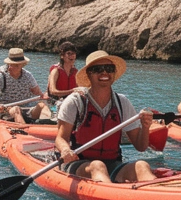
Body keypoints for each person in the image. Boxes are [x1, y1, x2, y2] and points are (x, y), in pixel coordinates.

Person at [54, 51, 156, 183]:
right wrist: (65, 150)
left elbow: (141, 147)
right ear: (89, 74)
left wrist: (145, 127)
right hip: (80, 164)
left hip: (113, 164)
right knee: (97, 166)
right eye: (98, 69)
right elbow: (60, 138)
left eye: (109, 69)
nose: (104, 73)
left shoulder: (122, 102)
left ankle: (158, 199)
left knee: (142, 165)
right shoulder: (75, 101)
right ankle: (114, 198)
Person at [0, 48, 51, 123]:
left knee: (42, 105)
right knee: (16, 109)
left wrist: (46, 96)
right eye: (10, 64)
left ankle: (51, 126)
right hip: (7, 109)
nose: (10, 67)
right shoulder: (1, 76)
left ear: (22, 65)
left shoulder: (28, 75)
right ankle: (24, 130)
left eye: (15, 65)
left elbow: (39, 94)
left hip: (27, 109)